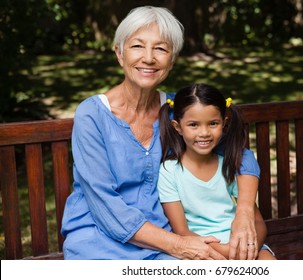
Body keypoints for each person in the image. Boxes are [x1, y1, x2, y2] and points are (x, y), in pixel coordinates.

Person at [61, 6, 262, 260]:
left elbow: (239, 154)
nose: (148, 58)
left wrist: (244, 211)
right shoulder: (92, 115)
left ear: (172, 60)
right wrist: (177, 244)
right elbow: (104, 206)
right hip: (99, 237)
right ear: (119, 53)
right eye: (137, 46)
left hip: (162, 234)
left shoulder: (175, 112)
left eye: (161, 48)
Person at [158, 84, 276, 260]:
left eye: (213, 123)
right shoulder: (169, 171)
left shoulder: (230, 165)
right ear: (178, 127)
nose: (204, 133)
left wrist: (248, 249)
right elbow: (182, 231)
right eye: (193, 125)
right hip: (200, 249)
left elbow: (258, 223)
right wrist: (228, 252)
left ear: (224, 123)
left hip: (244, 245)